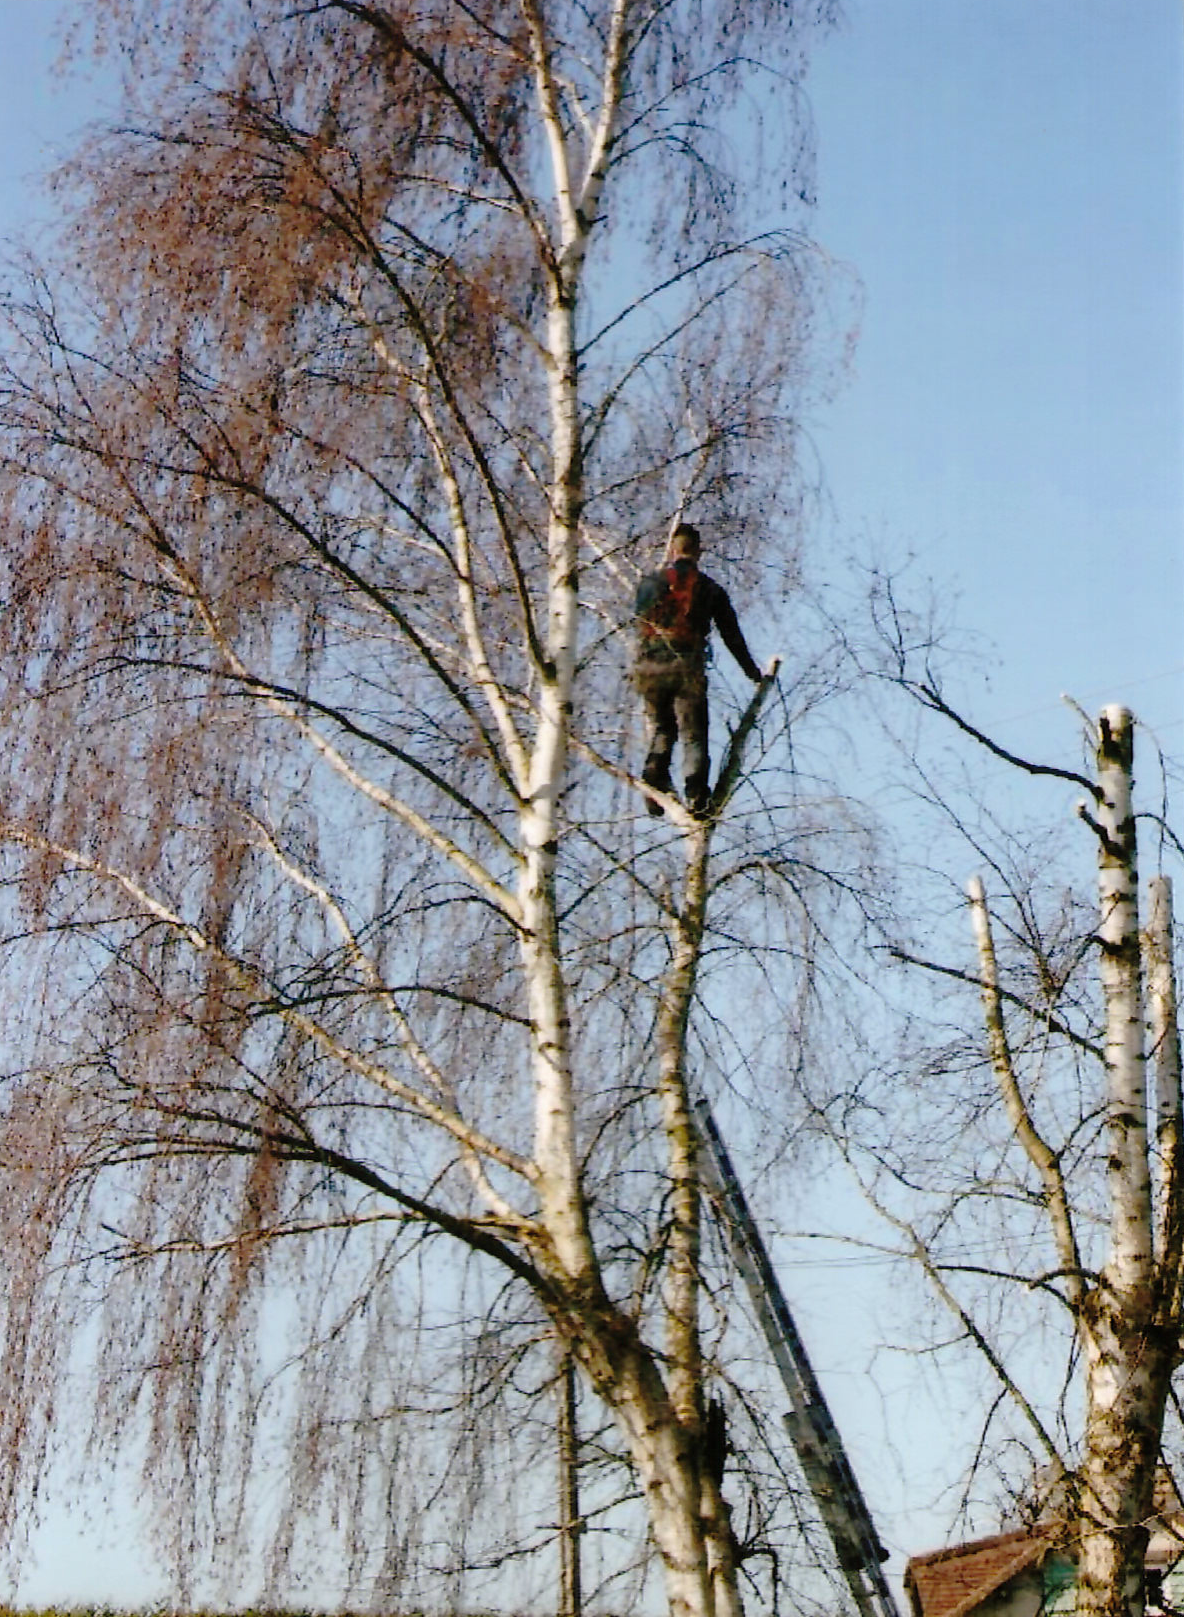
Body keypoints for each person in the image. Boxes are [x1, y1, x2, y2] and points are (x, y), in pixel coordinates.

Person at [634, 522, 764, 817]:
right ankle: (696, 797)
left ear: (672, 549)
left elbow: (639, 621)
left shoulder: (650, 582)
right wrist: (751, 671)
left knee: (663, 728)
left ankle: (653, 780)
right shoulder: (710, 589)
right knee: (694, 733)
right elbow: (732, 634)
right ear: (699, 551)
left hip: (649, 667)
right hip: (687, 669)